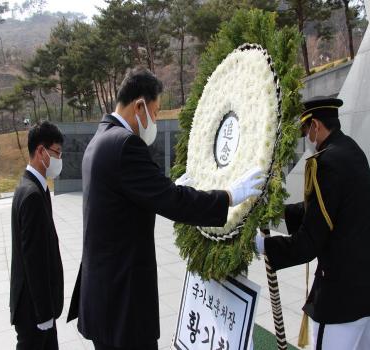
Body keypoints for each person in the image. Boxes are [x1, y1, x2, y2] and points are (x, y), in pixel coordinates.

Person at [67, 68, 265, 350]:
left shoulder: (100, 141)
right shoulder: (124, 144)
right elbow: (173, 201)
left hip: (103, 296)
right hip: (123, 303)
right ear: (139, 106)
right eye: (156, 112)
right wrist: (229, 196)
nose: (156, 120)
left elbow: (128, 201)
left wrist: (168, 187)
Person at [255, 97, 370, 350]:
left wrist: (263, 245)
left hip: (341, 299)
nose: (306, 138)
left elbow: (308, 243)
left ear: (316, 126)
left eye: (305, 131)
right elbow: (329, 212)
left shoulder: (326, 163)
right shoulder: (351, 150)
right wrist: (274, 214)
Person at [10, 121, 64, 350]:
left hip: (40, 306)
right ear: (41, 151)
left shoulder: (34, 187)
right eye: (57, 153)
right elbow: (34, 261)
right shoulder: (31, 194)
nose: (59, 160)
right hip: (33, 311)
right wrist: (43, 314)